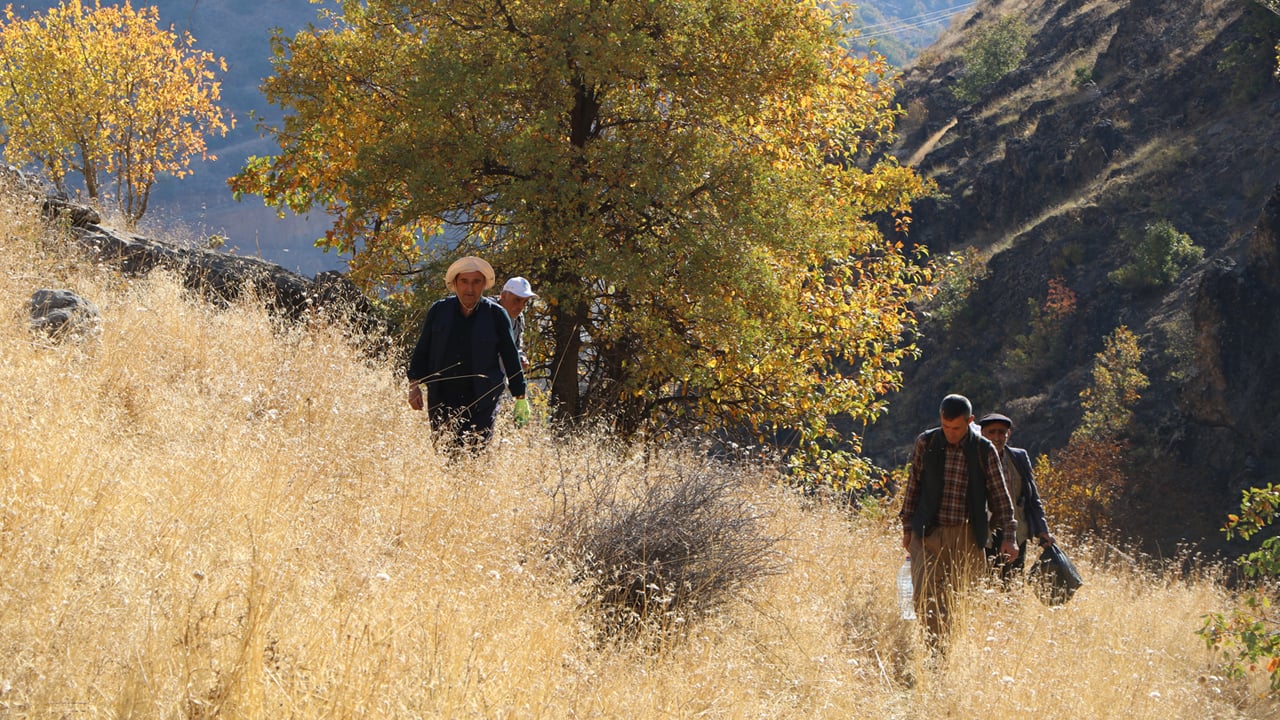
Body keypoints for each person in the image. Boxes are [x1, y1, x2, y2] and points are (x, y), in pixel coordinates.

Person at [898, 394, 1020, 643]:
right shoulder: (927, 442)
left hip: (966, 536)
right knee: (924, 596)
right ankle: (934, 652)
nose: (951, 433)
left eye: (956, 428)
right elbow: (914, 485)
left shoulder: (983, 449)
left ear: (970, 421)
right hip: (929, 534)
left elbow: (1000, 495)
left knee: (960, 599)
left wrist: (1009, 536)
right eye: (946, 426)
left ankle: (949, 648)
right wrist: (907, 528)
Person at [407, 256, 530, 448]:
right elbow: (423, 349)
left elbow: (510, 356)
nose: (470, 288)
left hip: (483, 399)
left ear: (484, 285)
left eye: (476, 282)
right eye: (464, 281)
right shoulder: (439, 310)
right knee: (444, 452)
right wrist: (414, 385)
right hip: (441, 398)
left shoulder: (497, 315)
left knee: (475, 452)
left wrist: (520, 396)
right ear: (455, 284)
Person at [977, 412, 1055, 583]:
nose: (997, 437)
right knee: (985, 583)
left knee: (1012, 583)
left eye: (1001, 432)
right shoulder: (973, 457)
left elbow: (1032, 496)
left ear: (1008, 434)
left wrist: (1043, 529)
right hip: (985, 534)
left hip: (1016, 532)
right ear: (982, 433)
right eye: (992, 432)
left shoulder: (1018, 457)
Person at [497, 276, 536, 371]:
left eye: (525, 302)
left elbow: (517, 347)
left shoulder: (519, 318)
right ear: (503, 296)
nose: (521, 306)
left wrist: (521, 358)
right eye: (517, 300)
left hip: (502, 381)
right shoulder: (486, 312)